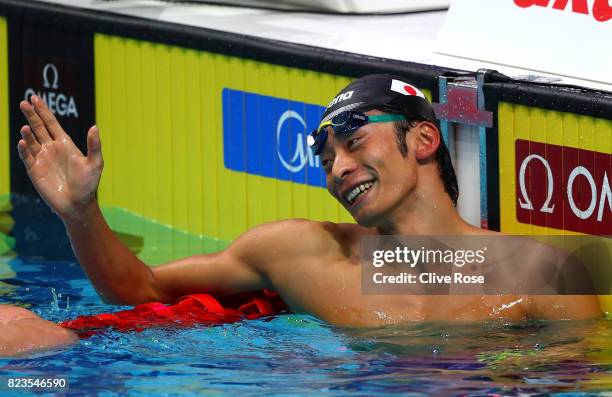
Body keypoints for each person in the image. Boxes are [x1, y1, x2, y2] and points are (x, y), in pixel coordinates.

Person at [14, 74, 601, 331]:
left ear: (423, 138)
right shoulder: (303, 254)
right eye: (323, 156)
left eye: (353, 139)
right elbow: (136, 290)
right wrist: (80, 213)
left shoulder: (539, 273)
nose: (338, 167)